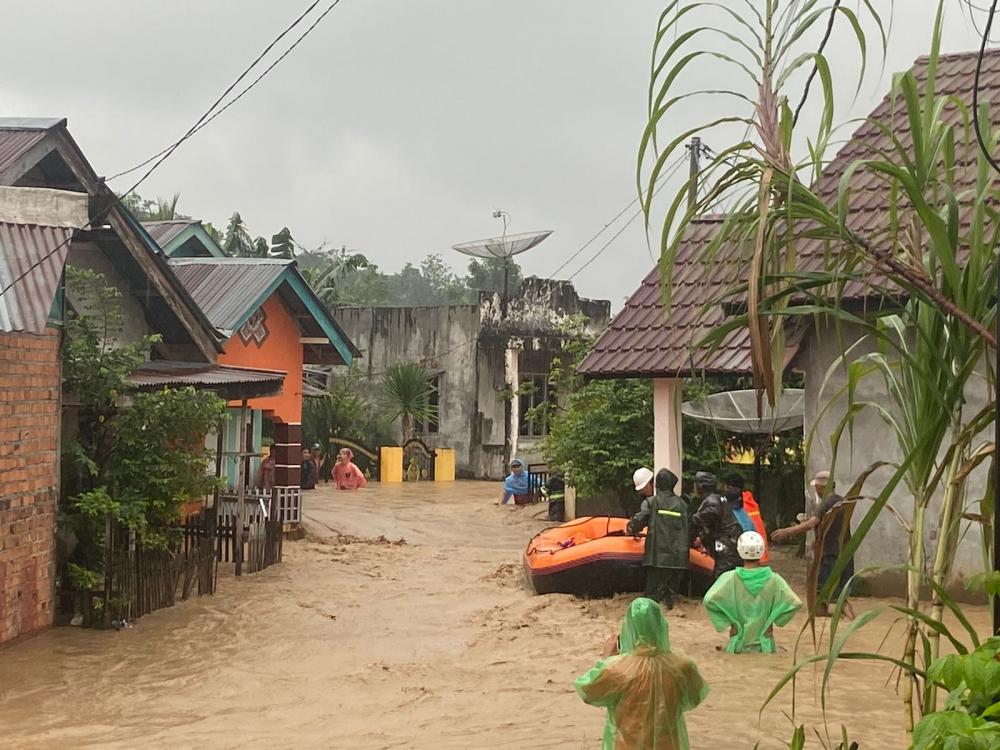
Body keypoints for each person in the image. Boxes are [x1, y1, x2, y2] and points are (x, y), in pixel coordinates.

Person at [576, 597, 708, 750]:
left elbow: (588, 692)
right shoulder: (683, 666)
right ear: (661, 625)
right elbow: (695, 697)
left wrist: (606, 659)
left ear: (628, 629)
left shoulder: (617, 670)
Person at [703, 531, 802, 653]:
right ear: (762, 551)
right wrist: (774, 620)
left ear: (739, 551)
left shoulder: (730, 578)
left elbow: (709, 600)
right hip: (765, 645)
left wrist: (731, 621)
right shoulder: (774, 579)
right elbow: (795, 602)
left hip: (737, 645)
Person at [771, 482, 855, 618]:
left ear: (822, 487)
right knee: (838, 595)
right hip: (843, 552)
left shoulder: (826, 503)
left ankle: (842, 616)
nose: (815, 489)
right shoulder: (842, 501)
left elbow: (812, 523)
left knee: (823, 590)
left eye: (816, 486)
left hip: (829, 554)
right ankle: (838, 616)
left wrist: (787, 531)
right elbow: (832, 527)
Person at [626, 468, 689, 609]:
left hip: (657, 558)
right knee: (671, 596)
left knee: (652, 596)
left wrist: (630, 528)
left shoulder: (651, 502)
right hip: (679, 559)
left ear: (657, 484)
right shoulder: (683, 505)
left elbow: (639, 521)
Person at [690, 471, 743, 578]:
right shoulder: (716, 499)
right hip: (728, 547)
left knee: (720, 582)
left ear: (701, 486)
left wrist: (694, 521)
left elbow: (705, 518)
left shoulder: (712, 501)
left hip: (727, 549)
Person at [723, 474, 770, 563]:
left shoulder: (730, 505)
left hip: (742, 553)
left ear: (727, 487)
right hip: (755, 552)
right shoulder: (750, 503)